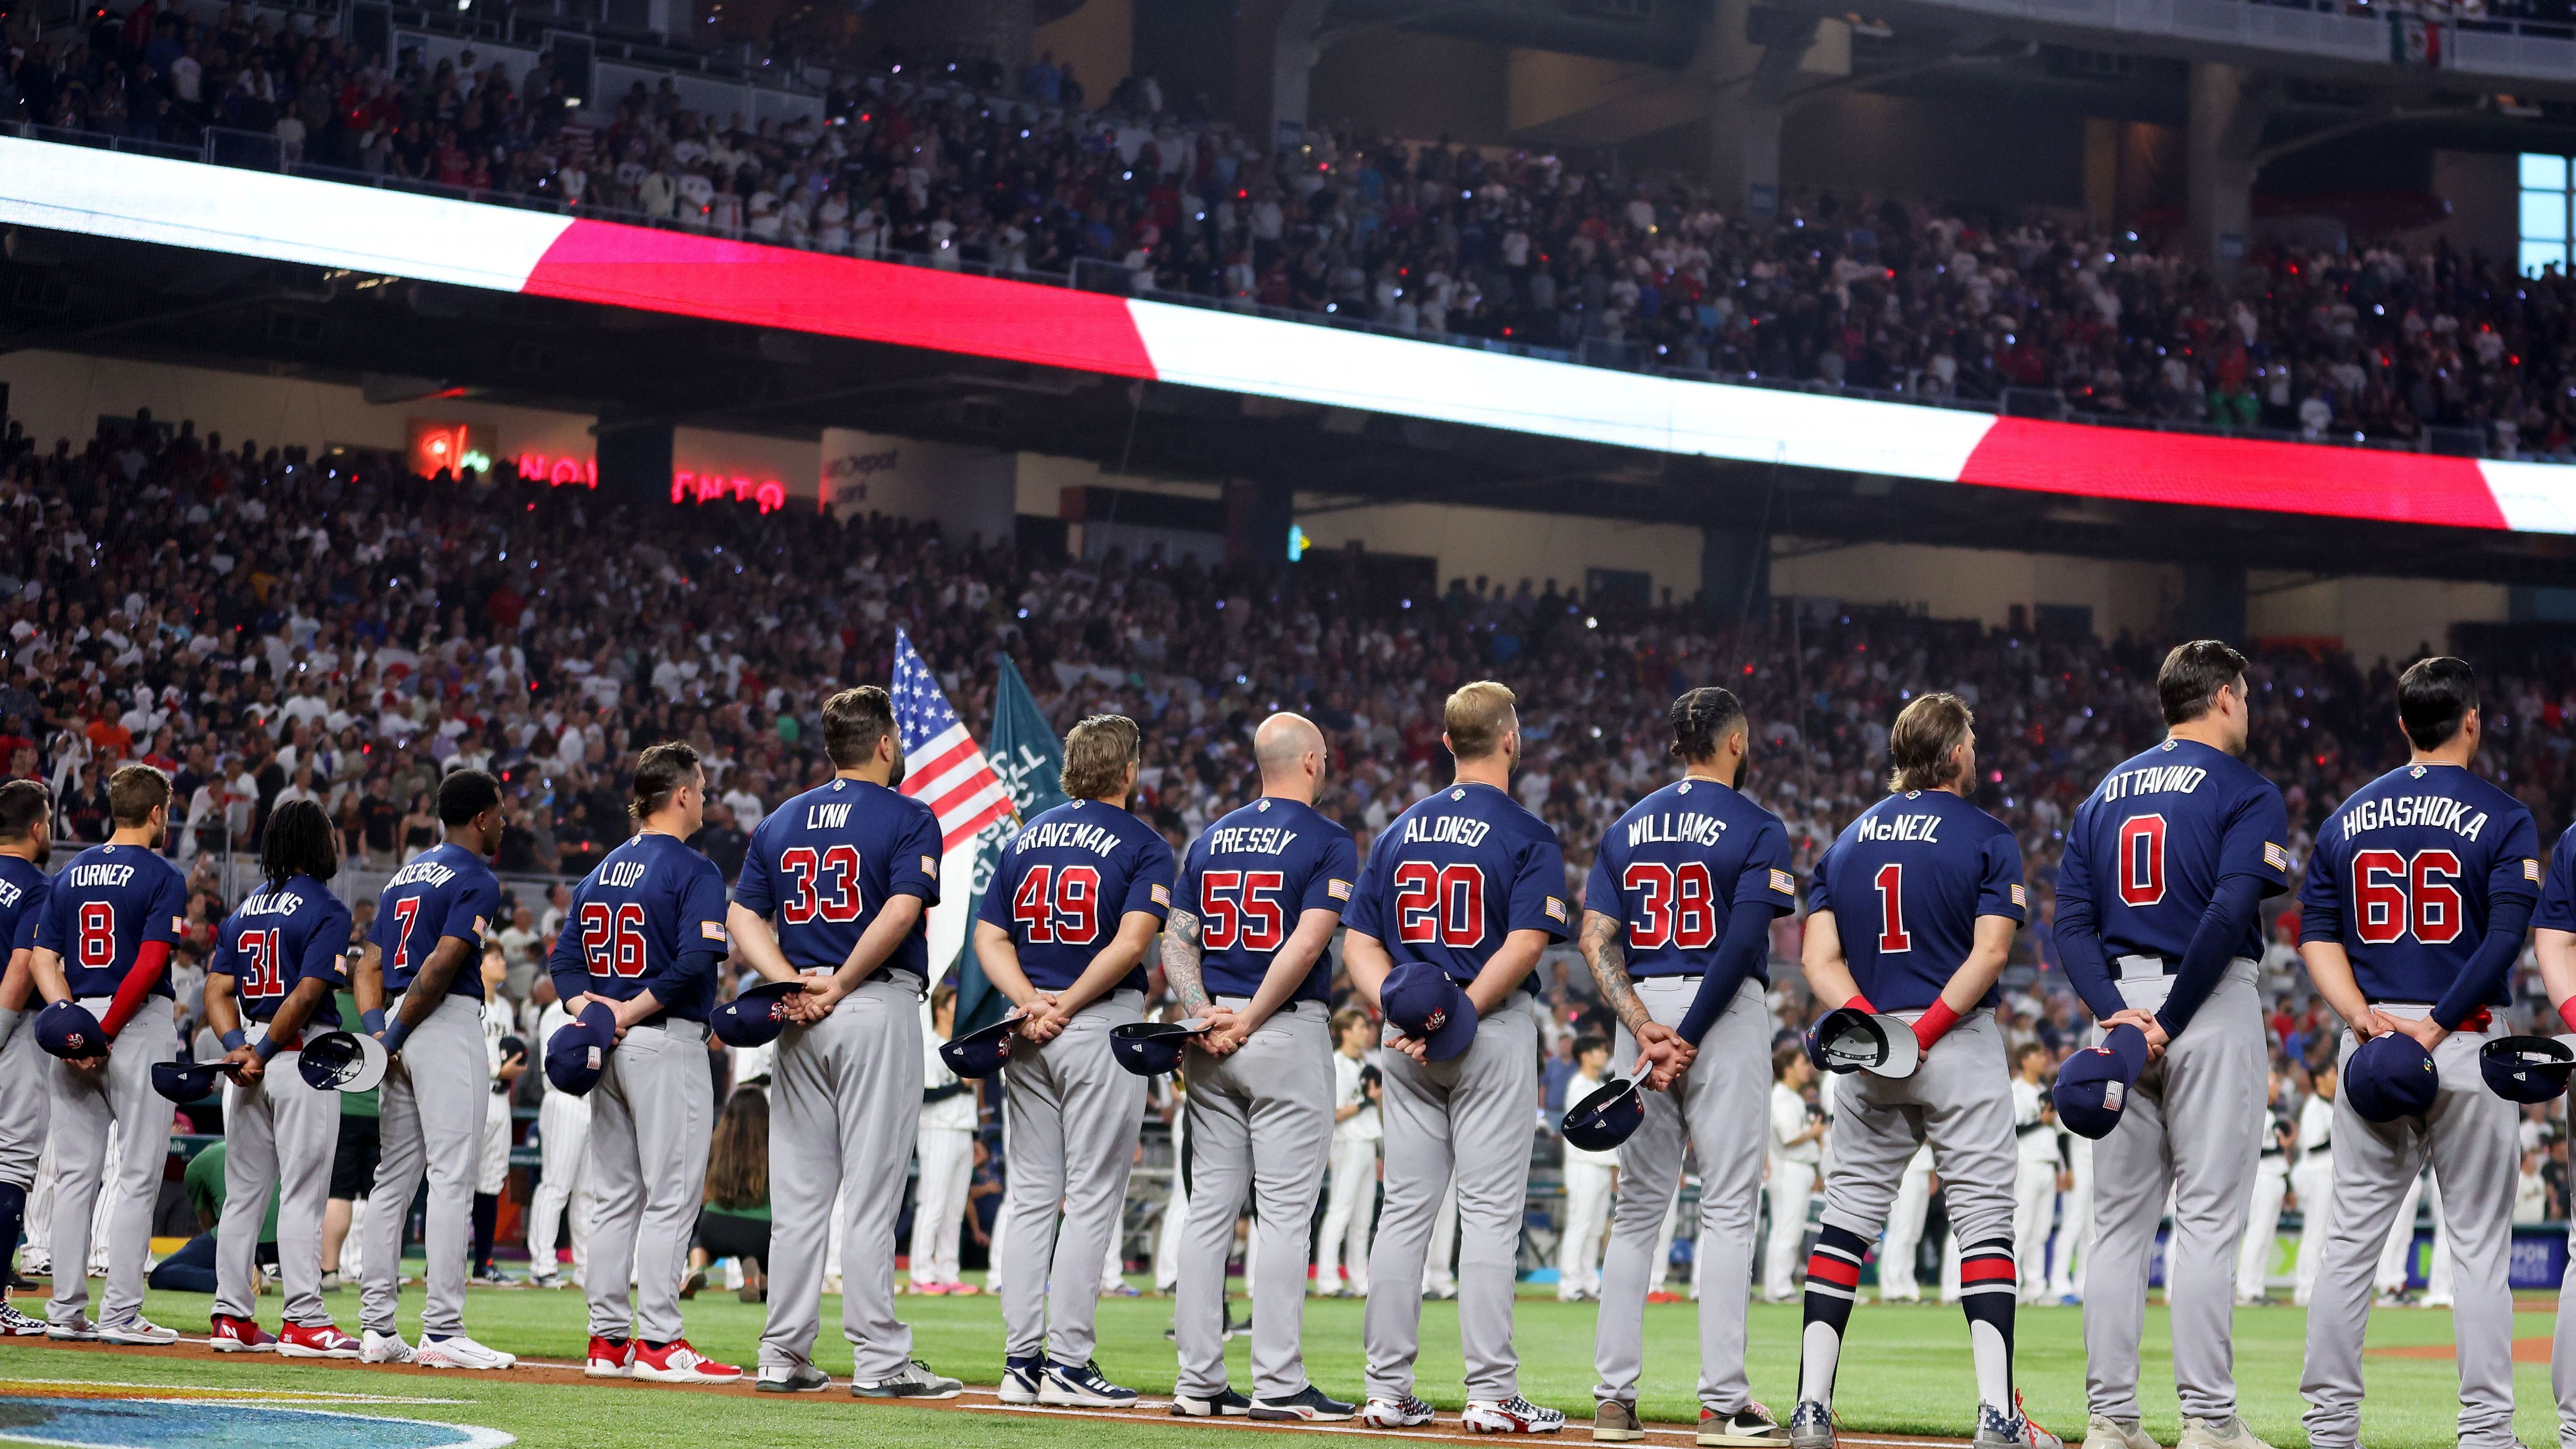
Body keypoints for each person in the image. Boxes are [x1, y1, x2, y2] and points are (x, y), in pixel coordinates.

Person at [1789, 691, 2054, 1449]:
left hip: (1870, 1041)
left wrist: (1875, 1027)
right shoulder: (1987, 833)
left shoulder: (1844, 841)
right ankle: (1996, 1414)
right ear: (1952, 753)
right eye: (1970, 737)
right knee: (1983, 1226)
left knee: (1844, 1222)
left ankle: (1811, 1409)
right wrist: (1928, 1029)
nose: (1976, 747)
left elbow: (1817, 959)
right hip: (1955, 1036)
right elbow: (1992, 951)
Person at [2297, 657, 2535, 1449]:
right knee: (2476, 1250)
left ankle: (2329, 1429)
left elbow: (2315, 936)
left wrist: (2365, 1017)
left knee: (2349, 1244)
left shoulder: (2346, 814)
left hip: (2374, 1043)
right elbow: (2503, 937)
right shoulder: (2504, 816)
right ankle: (2486, 1433)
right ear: (2472, 718)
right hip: (2460, 1037)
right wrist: (2433, 1025)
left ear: (2403, 723)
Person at [2055, 641, 2289, 1449]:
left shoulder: (2103, 791)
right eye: (2246, 694)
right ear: (2223, 696)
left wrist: (2121, 1017)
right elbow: (2229, 913)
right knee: (2209, 1222)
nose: (2249, 708)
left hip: (2116, 1011)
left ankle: (2111, 1419)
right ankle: (2209, 1419)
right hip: (2207, 1003)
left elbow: (2070, 924)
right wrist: (2172, 1017)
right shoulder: (2246, 788)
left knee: (2117, 1226)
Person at [1342, 680, 1570, 1435]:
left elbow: (1360, 940)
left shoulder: (1398, 828)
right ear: (1511, 738)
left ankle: (1385, 1387)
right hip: (1489, 1025)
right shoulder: (1528, 830)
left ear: (1446, 741)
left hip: (1405, 1039)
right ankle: (1491, 1392)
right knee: (1490, 1215)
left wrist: (1398, 1008)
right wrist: (1458, 1011)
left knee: (1404, 1212)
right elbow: (1527, 940)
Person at [726, 686, 960, 1398]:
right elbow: (900, 907)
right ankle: (880, 1359)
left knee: (799, 1197)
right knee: (870, 1189)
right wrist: (841, 980)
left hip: (799, 1014)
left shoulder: (780, 817)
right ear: (885, 744)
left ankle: (781, 1352)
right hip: (869, 1001)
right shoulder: (910, 813)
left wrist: (792, 980)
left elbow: (742, 914)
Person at [1582, 684, 1797, 1444]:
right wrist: (1690, 1035)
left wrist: (1646, 1029)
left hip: (1639, 1013)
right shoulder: (1758, 824)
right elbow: (1742, 943)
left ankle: (1612, 1400)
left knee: (1636, 1210)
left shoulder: (1626, 823)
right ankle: (1722, 1402)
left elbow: (1596, 939)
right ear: (1734, 741)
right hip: (1719, 1011)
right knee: (1730, 1205)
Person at [1161, 711, 1359, 1421]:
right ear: (1311, 760)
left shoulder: (1211, 837)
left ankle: (1198, 1381)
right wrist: (1247, 1018)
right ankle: (1277, 1380)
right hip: (1279, 1029)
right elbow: (1306, 946)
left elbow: (1176, 942)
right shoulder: (1329, 839)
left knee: (1208, 1212)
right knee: (1282, 1216)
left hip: (1209, 1034)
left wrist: (1204, 1009)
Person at [972, 713, 1175, 1408]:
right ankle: (1068, 1363)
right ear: (1127, 770)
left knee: (1031, 1196)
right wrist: (1068, 1003)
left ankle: (1019, 1362)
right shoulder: (1144, 842)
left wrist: (1032, 1001)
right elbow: (1130, 944)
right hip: (1097, 1022)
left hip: (1027, 1028)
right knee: (1090, 1197)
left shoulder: (1025, 836)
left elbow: (989, 935)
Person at [550, 741, 739, 1385]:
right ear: (681, 793)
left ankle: (607, 1341)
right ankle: (660, 1340)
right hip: (662, 1038)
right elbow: (693, 963)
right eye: (703, 788)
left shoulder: (597, 872)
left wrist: (598, 1011)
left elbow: (564, 966)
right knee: (671, 1196)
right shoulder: (696, 869)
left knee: (615, 1198)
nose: (706, 798)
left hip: (615, 1046)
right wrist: (626, 1012)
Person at [353, 767, 515, 1370]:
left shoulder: (402, 877)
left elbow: (367, 964)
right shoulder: (476, 874)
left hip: (397, 1019)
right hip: (440, 1021)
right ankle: (444, 1329)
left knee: (393, 1180)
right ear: (480, 818)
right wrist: (395, 1034)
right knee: (452, 1176)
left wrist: (380, 1034)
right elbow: (446, 962)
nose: (503, 821)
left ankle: (376, 1328)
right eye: (498, 811)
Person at [27, 763, 188, 1345]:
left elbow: (43, 959)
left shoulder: (70, 871)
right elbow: (149, 964)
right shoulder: (164, 874)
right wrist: (107, 1031)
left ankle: (67, 1311)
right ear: (155, 813)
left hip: (76, 1021)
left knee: (74, 1176)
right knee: (138, 1173)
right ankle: (120, 1313)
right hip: (134, 1022)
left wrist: (71, 1023)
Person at [202, 798, 362, 1356]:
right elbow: (308, 992)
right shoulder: (327, 908)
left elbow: (216, 991)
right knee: (302, 1193)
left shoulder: (244, 909)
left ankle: (231, 1316)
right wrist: (264, 1052)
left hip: (247, 1058)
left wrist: (236, 1049)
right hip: (299, 1056)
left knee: (244, 1195)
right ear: (316, 844)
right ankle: (303, 1318)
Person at [0, 779, 50, 1337]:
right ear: (37, 827)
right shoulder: (37, 886)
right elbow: (21, 966)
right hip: (12, 1033)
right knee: (11, 1165)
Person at [910, 983, 978, 1297]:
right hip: (937, 1129)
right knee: (933, 1203)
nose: (958, 1010)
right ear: (940, 1009)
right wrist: (962, 1086)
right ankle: (922, 1272)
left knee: (955, 1207)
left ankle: (948, 1270)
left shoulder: (963, 1045)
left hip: (962, 1128)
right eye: (953, 1005)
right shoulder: (930, 1046)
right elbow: (923, 1094)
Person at [527, 981, 591, 1290]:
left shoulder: (599, 1008)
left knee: (589, 1192)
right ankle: (543, 1263)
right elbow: (554, 1066)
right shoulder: (558, 1011)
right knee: (556, 1186)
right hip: (564, 1098)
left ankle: (586, 1266)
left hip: (593, 1104)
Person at [1314, 1005, 1380, 1300]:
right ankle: (1328, 1280)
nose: (1366, 1033)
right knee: (1340, 1210)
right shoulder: (1337, 1064)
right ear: (1345, 1032)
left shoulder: (1365, 1062)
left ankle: (1359, 1279)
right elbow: (1334, 1113)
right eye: (1360, 1028)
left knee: (1363, 1217)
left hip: (1367, 1141)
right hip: (1346, 1142)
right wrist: (1366, 1101)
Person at [693, 1086, 770, 1303]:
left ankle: (698, 1267)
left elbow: (703, 1191)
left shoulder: (717, 1141)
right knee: (767, 1266)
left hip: (715, 1225)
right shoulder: (773, 1142)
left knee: (698, 1240)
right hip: (761, 1232)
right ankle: (756, 1277)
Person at [1556, 1036, 1615, 1305]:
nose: (1603, 1054)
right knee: (1579, 1224)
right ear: (1585, 1056)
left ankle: (1589, 1281)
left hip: (1603, 1164)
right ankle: (1570, 1284)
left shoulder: (1599, 1086)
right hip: (1583, 1164)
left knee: (1594, 1229)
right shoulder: (1579, 1086)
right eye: (1598, 1050)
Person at [1766, 1049, 1825, 1302]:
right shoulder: (1781, 1096)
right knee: (1787, 1230)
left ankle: (1777, 1285)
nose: (1807, 1068)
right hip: (1788, 1168)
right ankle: (1779, 1288)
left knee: (1785, 1229)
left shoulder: (1792, 1097)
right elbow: (1789, 1137)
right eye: (1802, 1063)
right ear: (1788, 1069)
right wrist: (1815, 1132)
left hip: (1796, 1167)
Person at [2236, 1072, 2294, 1305]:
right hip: (2262, 1175)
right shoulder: (2257, 1113)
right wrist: (2282, 1147)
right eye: (2274, 1083)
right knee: (2257, 1233)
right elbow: (2256, 1151)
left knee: (2266, 1235)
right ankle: (2246, 1288)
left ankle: (2255, 1286)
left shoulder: (2270, 1115)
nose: (2278, 1087)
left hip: (2274, 1175)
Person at [2009, 1042, 2060, 1303]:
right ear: (2025, 1060)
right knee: (2022, 1224)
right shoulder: (2015, 1090)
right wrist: (2040, 1122)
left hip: (2048, 1162)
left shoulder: (2045, 1091)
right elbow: (2013, 1129)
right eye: (2038, 1055)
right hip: (2027, 1161)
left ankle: (2036, 1286)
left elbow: (2056, 1133)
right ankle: (2012, 1285)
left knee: (2041, 1229)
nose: (2043, 1059)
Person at [2290, 1061, 2337, 1307]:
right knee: (2315, 1231)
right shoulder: (2314, 1107)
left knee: (2323, 1234)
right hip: (2316, 1173)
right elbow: (2311, 1146)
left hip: (2326, 1173)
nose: (2336, 1077)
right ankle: (2305, 1288)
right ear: (2319, 1079)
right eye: (2332, 1072)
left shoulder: (2328, 1107)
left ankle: (2313, 1286)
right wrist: (2337, 1137)